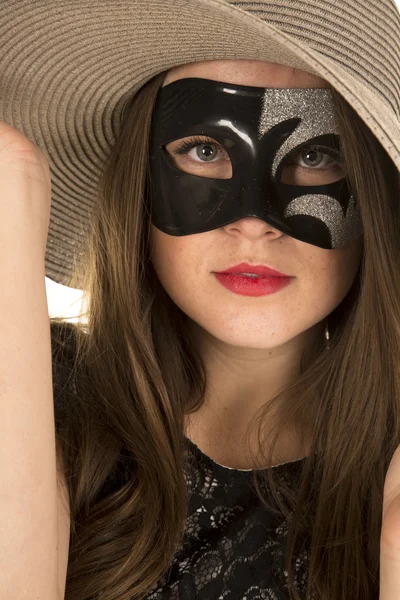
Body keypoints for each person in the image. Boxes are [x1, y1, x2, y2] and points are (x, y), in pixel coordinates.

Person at [1, 1, 400, 599]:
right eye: (206, 151)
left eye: (315, 156)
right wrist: (16, 192)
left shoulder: (388, 469)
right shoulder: (41, 390)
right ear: (138, 181)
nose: (253, 225)